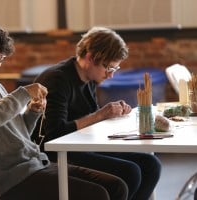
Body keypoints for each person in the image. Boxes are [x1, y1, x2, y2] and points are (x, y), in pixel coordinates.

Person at [0, 16, 129, 200]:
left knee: (117, 186)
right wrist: (23, 94)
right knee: (97, 195)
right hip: (11, 179)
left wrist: (33, 112)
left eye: (1, 59)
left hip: (35, 164)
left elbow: (20, 132)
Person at [33, 27, 162, 200]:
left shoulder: (89, 79)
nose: (110, 75)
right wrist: (100, 115)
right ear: (89, 57)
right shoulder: (57, 80)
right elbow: (52, 135)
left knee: (151, 164)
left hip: (80, 146)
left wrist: (113, 114)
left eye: (114, 69)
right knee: (131, 172)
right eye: (108, 68)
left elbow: (91, 122)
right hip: (57, 154)